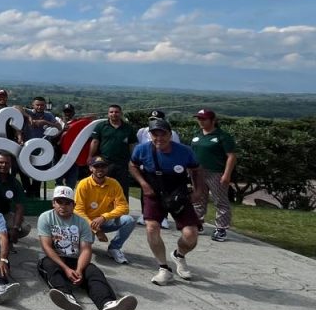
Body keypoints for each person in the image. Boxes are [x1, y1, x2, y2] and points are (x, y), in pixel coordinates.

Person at [37, 186, 138, 310]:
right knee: (50, 267)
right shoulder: (45, 217)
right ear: (53, 203)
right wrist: (66, 269)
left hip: (75, 259)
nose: (63, 206)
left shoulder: (82, 222)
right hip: (53, 258)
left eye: (67, 203)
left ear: (74, 205)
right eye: (59, 202)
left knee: (94, 272)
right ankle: (67, 296)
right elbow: (46, 247)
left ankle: (108, 304)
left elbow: (86, 249)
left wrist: (79, 270)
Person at [130, 119, 203, 286]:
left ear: (170, 135)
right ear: (150, 135)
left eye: (163, 134)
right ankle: (164, 268)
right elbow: (132, 165)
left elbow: (196, 170)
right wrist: (143, 184)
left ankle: (179, 255)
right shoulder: (142, 149)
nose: (159, 138)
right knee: (151, 227)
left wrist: (198, 190)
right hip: (153, 192)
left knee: (191, 235)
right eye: (155, 134)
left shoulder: (184, 151)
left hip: (178, 192)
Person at [74, 158, 134, 264]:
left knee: (129, 220)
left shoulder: (114, 183)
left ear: (107, 168)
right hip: (87, 223)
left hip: (105, 221)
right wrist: (96, 230)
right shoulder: (83, 184)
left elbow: (124, 207)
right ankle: (82, 243)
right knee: (86, 247)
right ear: (91, 168)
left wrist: (104, 217)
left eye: (103, 166)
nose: (100, 169)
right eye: (96, 166)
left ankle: (114, 248)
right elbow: (78, 211)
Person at [190, 109, 237, 242]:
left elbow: (231, 156)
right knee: (198, 198)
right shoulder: (197, 135)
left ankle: (221, 228)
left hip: (216, 172)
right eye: (199, 119)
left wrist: (227, 174)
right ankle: (197, 223)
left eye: (204, 119)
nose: (201, 121)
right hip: (197, 172)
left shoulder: (222, 136)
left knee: (220, 200)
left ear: (213, 120)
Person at [88, 104, 136, 200]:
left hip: (122, 164)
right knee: (103, 187)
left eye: (116, 112)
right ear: (108, 114)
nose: (114, 114)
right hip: (105, 163)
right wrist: (90, 156)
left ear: (121, 113)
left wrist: (133, 160)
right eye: (111, 112)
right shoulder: (101, 126)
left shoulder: (128, 128)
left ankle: (122, 209)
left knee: (122, 189)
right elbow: (95, 142)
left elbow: (132, 145)